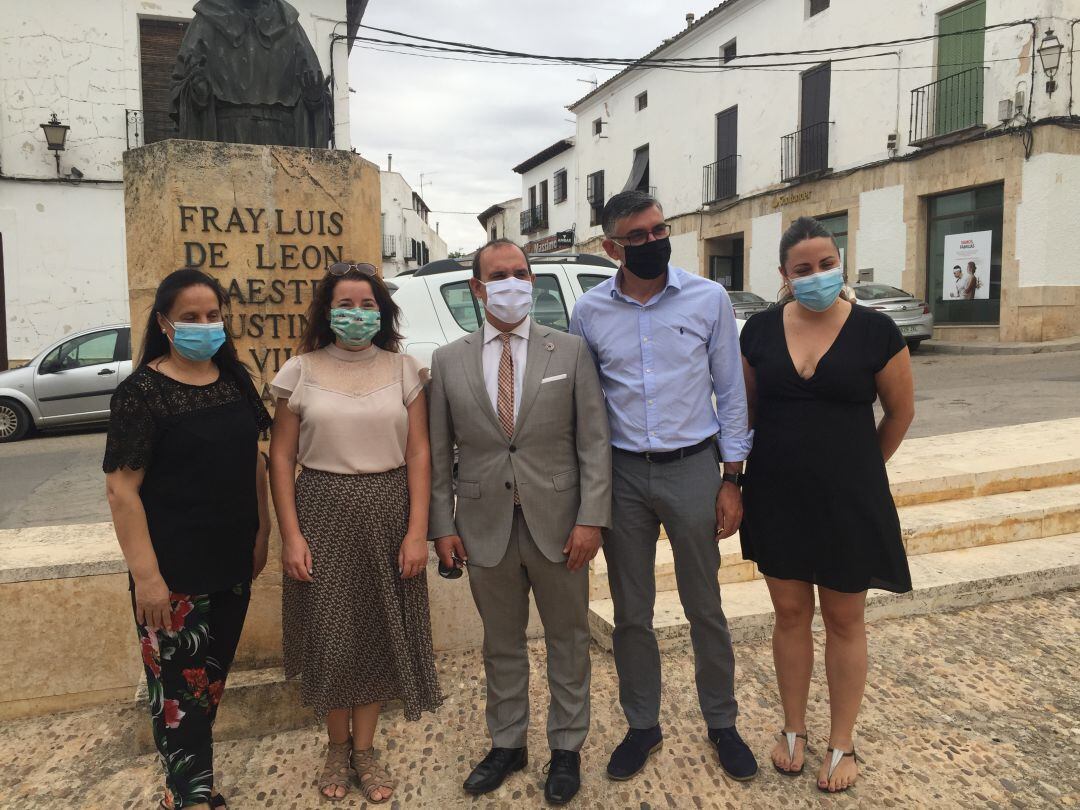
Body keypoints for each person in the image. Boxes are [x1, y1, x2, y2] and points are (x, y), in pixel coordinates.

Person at [569, 190, 758, 783]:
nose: (653, 242)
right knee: (631, 612)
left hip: (694, 468)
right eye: (638, 236)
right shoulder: (589, 312)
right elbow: (586, 406)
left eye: (659, 231)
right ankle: (642, 724)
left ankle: (721, 722)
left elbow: (730, 392)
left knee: (706, 606)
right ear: (611, 247)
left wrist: (732, 478)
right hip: (623, 475)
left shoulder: (707, 299)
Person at [428, 238, 611, 805]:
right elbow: (438, 454)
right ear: (478, 288)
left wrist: (592, 519)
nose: (513, 284)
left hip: (560, 523)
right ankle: (507, 744)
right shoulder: (447, 360)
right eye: (499, 276)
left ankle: (566, 747)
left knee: (569, 639)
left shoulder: (571, 352)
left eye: (521, 274)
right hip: (483, 525)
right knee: (500, 644)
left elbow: (594, 444)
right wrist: (442, 525)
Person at [739, 216, 914, 793]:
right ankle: (793, 729)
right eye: (803, 268)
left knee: (844, 619)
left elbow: (899, 413)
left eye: (827, 264)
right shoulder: (759, 332)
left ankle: (842, 741)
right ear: (785, 275)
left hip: (849, 503)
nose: (817, 275)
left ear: (840, 262)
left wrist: (862, 472)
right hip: (776, 497)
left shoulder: (876, 331)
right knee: (789, 615)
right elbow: (749, 412)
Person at [268, 262, 442, 803]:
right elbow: (280, 457)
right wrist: (290, 537)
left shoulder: (405, 369)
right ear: (327, 311)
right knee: (332, 634)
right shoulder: (300, 371)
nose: (357, 314)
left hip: (389, 511)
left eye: (368, 305)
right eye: (345, 304)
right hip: (321, 509)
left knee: (377, 633)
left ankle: (364, 751)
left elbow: (419, 452)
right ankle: (335, 746)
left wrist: (418, 532)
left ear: (382, 312)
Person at [104, 268, 272, 810]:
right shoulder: (141, 394)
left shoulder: (234, 380)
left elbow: (255, 459)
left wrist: (262, 531)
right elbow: (121, 490)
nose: (206, 326)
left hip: (231, 564)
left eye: (214, 316)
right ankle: (192, 797)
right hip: (172, 575)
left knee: (207, 687)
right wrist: (147, 579)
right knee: (177, 696)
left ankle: (194, 788)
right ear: (163, 324)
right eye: (191, 317)